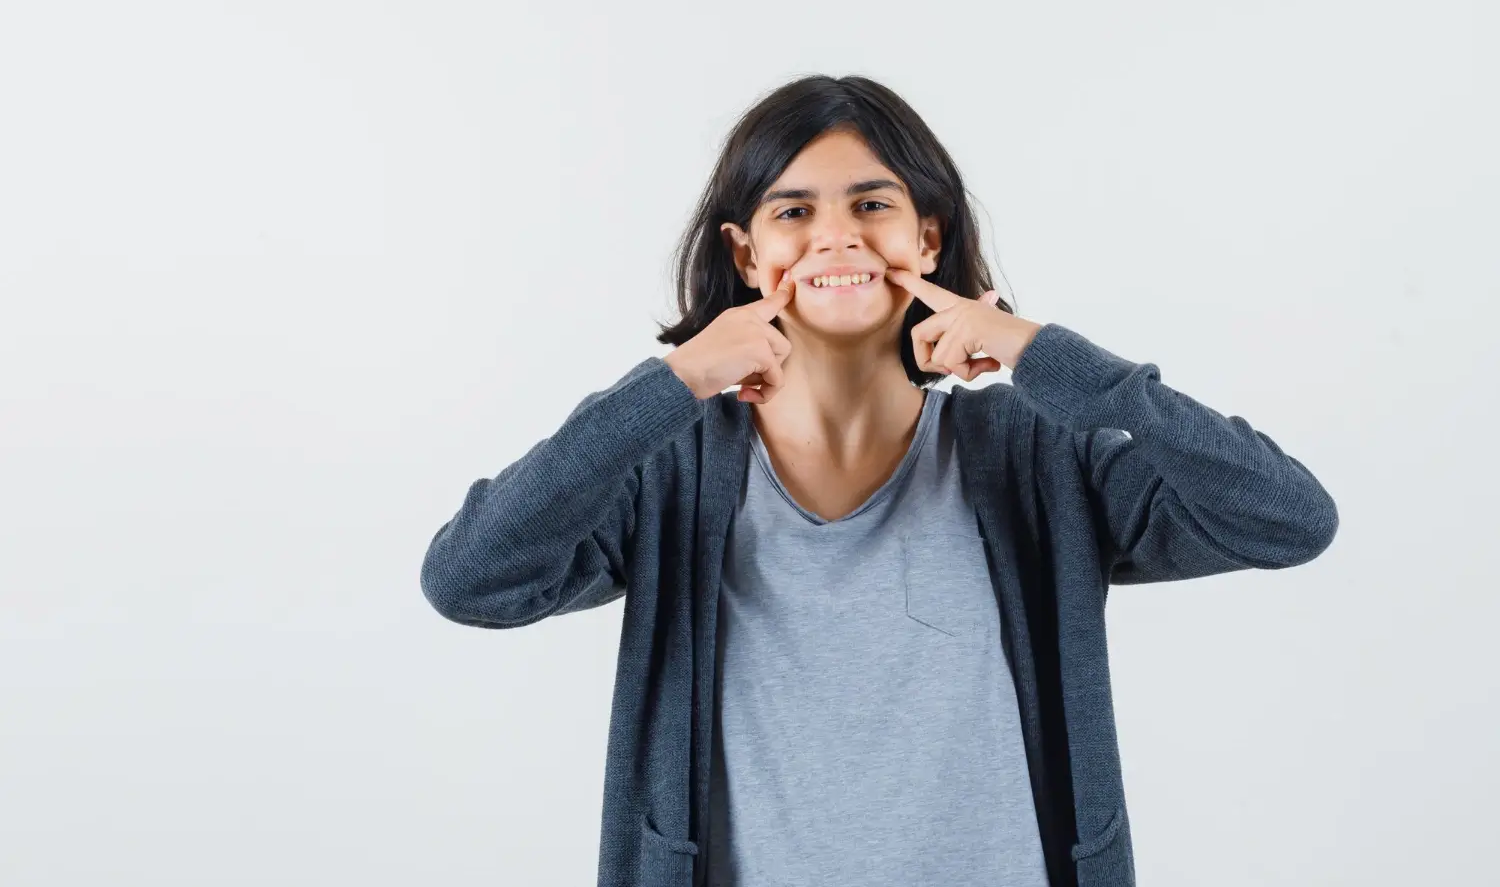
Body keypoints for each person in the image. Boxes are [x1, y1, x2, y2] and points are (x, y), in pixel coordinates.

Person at [419, 74, 1339, 887]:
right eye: (793, 213)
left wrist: (1048, 358)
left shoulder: (1039, 453)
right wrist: (673, 386)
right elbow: (470, 579)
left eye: (871, 206)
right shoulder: (669, 464)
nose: (835, 238)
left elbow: (1287, 517)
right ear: (747, 257)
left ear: (927, 238)